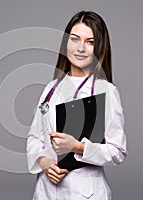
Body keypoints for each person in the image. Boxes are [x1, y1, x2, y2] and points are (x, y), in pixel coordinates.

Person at [26, 10, 128, 200]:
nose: (80, 48)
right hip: (45, 191)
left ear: (99, 48)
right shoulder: (50, 89)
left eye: (90, 42)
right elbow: (34, 137)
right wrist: (44, 161)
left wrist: (79, 147)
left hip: (85, 193)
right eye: (75, 39)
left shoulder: (105, 91)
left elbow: (118, 151)